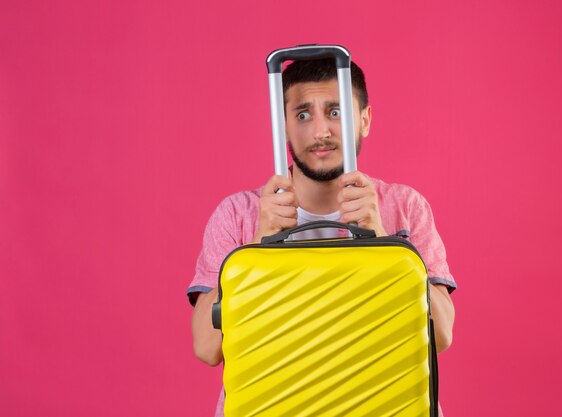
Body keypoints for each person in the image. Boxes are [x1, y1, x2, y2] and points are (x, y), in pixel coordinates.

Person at [188, 57, 457, 416]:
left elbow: (441, 336)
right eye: (302, 114)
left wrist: (385, 242)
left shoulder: (405, 208)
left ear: (365, 120)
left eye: (334, 112)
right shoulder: (239, 216)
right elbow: (207, 348)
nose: (320, 132)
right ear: (282, 125)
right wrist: (257, 248)